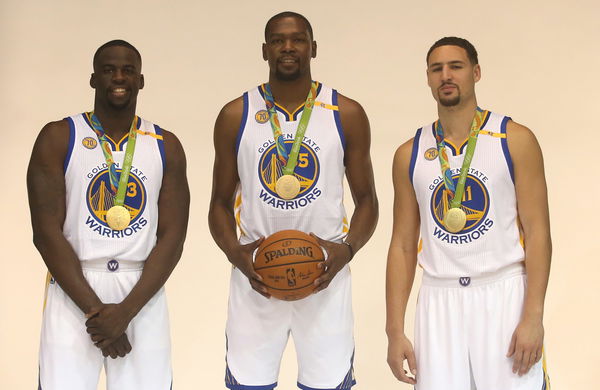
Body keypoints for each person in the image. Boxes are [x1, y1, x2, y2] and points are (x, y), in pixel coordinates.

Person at [208, 11, 378, 390]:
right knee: (248, 385)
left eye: (298, 39)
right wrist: (236, 254)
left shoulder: (346, 113)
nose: (288, 47)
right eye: (278, 40)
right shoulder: (236, 115)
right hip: (256, 280)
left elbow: (367, 200)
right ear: (265, 50)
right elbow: (219, 202)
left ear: (313, 48)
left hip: (324, 277)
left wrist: (346, 251)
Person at [385, 36, 551, 390]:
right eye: (437, 69)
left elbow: (538, 234)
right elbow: (401, 245)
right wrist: (394, 330)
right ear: (428, 78)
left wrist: (533, 316)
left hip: (503, 294)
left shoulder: (514, 139)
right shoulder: (409, 154)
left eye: (456, 67)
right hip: (439, 298)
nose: (446, 75)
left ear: (475, 73)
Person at [27, 39, 189, 390]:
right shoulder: (58, 137)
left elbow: (173, 238)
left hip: (141, 290)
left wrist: (125, 313)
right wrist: (96, 312)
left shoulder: (165, 144)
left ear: (141, 80)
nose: (119, 77)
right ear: (93, 79)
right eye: (109, 69)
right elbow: (45, 233)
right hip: (74, 287)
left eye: (128, 70)